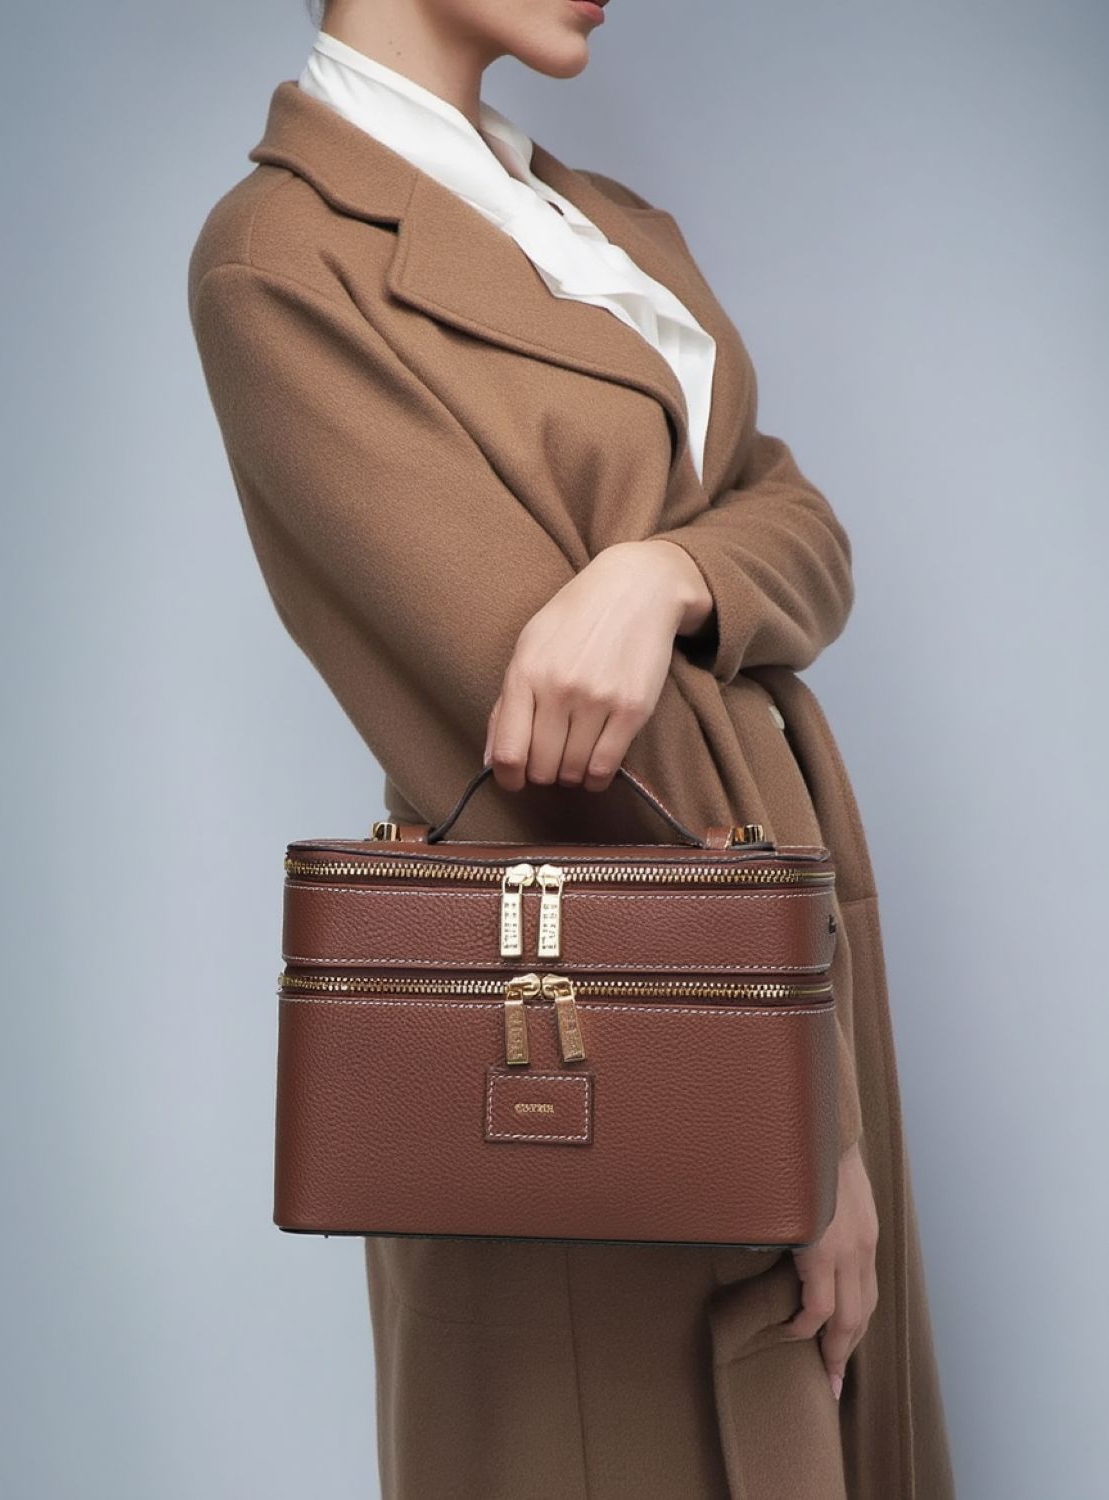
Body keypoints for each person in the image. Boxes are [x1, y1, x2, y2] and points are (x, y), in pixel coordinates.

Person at [187, 2, 956, 1495]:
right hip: (599, 1003)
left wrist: (661, 575)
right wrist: (806, 1135)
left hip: (772, 935)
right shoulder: (282, 258)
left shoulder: (599, 219)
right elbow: (550, 724)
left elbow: (803, 526)